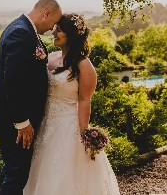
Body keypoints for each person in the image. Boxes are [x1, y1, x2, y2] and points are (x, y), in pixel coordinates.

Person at [23, 13, 120, 194]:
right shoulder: (49, 57)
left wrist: (84, 134)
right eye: (54, 29)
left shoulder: (84, 66)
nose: (54, 33)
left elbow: (84, 101)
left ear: (71, 35)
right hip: (42, 124)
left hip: (67, 128)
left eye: (58, 30)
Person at [0, 0, 62, 195]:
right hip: (13, 117)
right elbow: (14, 81)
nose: (53, 28)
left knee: (13, 168)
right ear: (46, 13)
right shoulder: (21, 32)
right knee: (18, 172)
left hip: (13, 115)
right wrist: (21, 121)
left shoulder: (26, 31)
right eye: (54, 22)